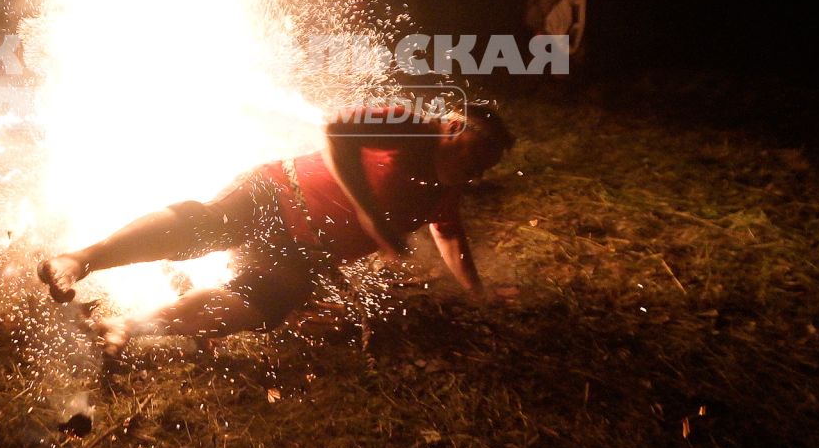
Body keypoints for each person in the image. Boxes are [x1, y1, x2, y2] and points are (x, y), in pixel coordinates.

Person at [36, 103, 515, 345]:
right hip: (277, 194)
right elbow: (338, 129)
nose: (483, 169)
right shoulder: (412, 127)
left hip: (305, 254)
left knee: (257, 308)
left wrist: (477, 291)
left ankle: (128, 326)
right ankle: (79, 259)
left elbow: (448, 232)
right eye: (481, 152)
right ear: (454, 128)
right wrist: (368, 211)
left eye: (491, 164)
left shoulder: (446, 189)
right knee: (205, 228)